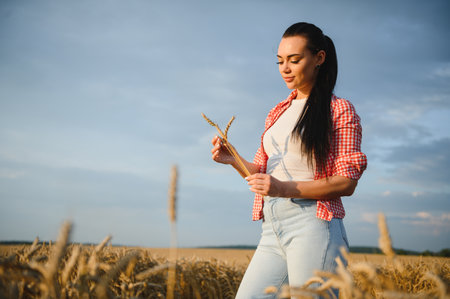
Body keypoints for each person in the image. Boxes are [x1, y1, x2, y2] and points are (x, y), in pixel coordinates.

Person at [210, 22, 367, 298]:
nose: (285, 68)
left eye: (294, 60)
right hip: (272, 229)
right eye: (280, 61)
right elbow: (262, 172)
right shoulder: (277, 112)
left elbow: (347, 182)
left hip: (313, 226)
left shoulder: (339, 109)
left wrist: (283, 188)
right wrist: (233, 158)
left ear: (319, 58)